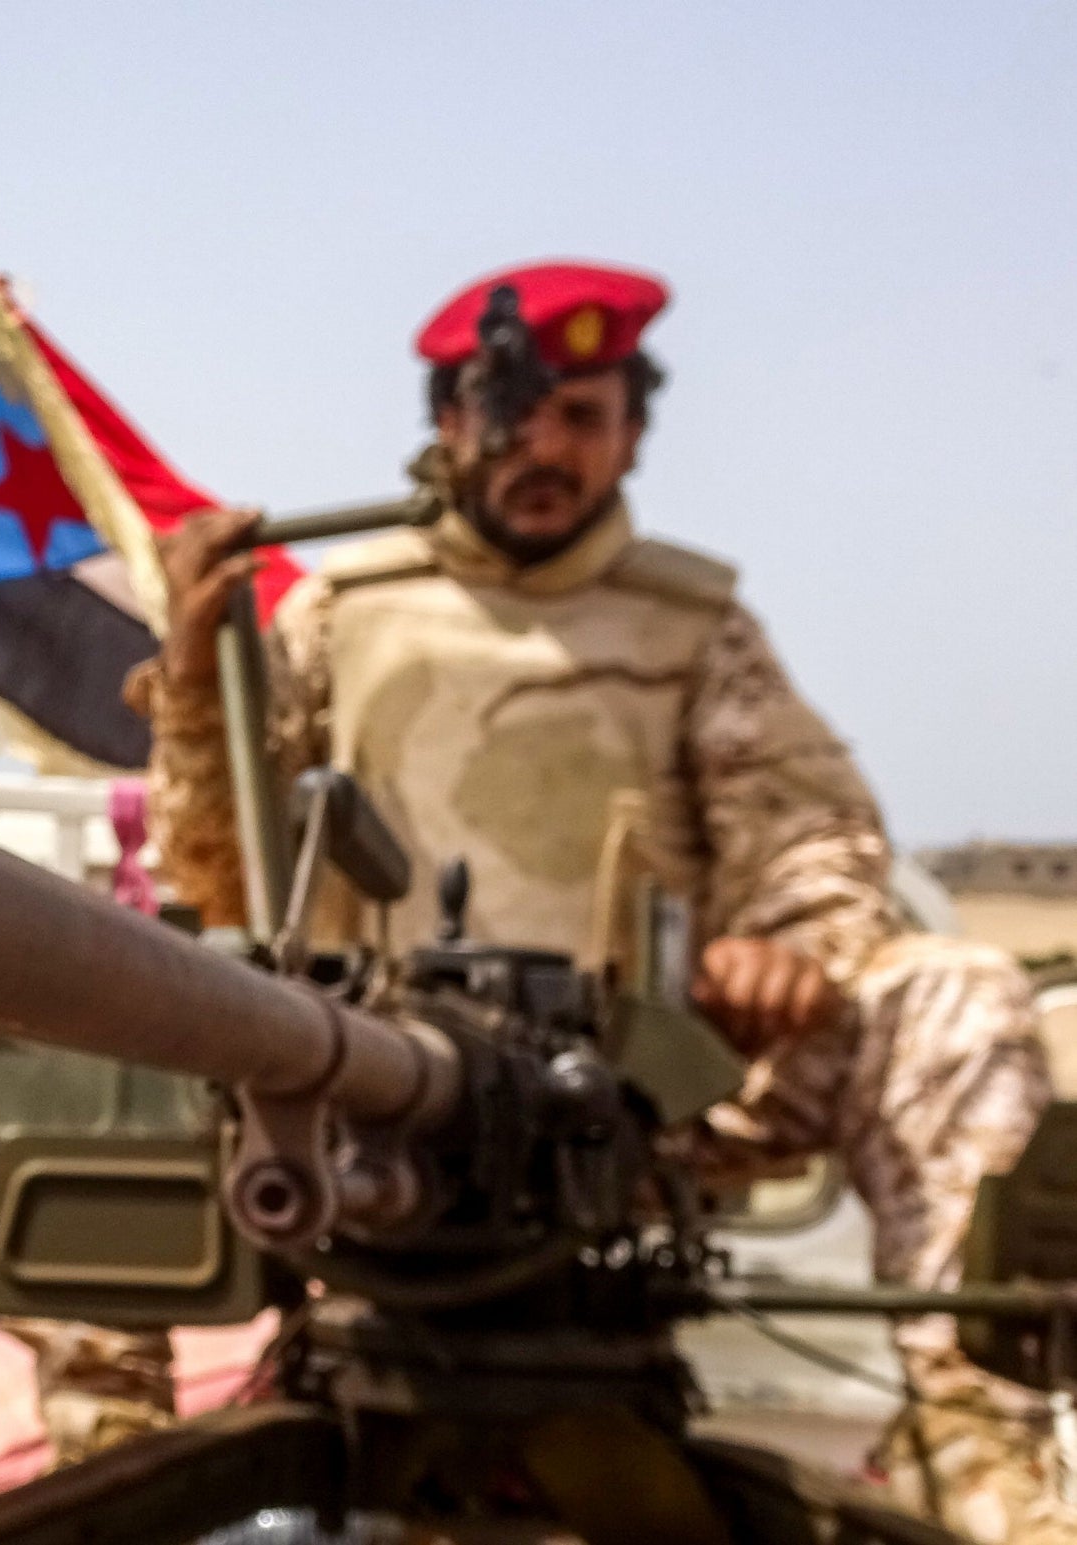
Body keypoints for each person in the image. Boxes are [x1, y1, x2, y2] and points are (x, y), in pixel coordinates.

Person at [128, 260, 1058, 1543]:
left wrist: (789, 953)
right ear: (449, 422)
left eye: (588, 415)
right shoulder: (340, 615)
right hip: (365, 1103)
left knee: (952, 995)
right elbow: (215, 876)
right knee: (93, 1006)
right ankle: (111, 1457)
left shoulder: (690, 628)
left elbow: (809, 842)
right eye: (518, 410)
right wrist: (189, 677)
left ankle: (981, 1458)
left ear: (630, 436)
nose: (548, 447)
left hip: (639, 1107)